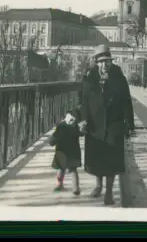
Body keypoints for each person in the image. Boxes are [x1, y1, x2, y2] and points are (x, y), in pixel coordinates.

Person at [80, 45, 134, 206]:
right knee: (97, 158)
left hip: (114, 124)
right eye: (101, 62)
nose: (105, 65)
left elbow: (127, 102)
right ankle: (98, 185)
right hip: (95, 125)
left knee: (111, 160)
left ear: (111, 62)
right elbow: (83, 103)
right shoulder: (89, 79)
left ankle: (109, 192)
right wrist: (83, 120)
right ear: (96, 63)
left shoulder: (119, 78)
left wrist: (129, 124)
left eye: (107, 61)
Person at [49, 110, 87, 195]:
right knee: (73, 170)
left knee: (60, 168)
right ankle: (76, 188)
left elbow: (55, 137)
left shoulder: (61, 126)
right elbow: (81, 133)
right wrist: (83, 129)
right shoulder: (75, 127)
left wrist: (51, 142)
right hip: (73, 152)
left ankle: (59, 185)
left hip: (61, 152)